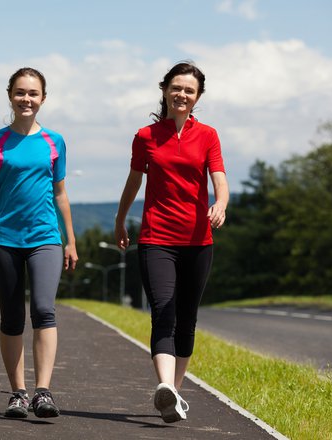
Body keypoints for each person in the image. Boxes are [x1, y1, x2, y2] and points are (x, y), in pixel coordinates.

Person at [114, 61, 229, 423]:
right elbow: (134, 182)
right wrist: (120, 219)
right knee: (164, 309)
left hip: (198, 240)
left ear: (198, 98)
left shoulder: (208, 135)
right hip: (156, 237)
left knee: (187, 318)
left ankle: (173, 395)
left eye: (189, 91)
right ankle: (165, 386)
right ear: (165, 90)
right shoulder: (146, 136)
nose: (182, 95)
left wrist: (221, 203)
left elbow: (219, 179)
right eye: (176, 88)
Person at [0, 67, 78, 419]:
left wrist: (70, 240)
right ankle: (18, 393)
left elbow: (61, 193)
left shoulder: (55, 142)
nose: (26, 99)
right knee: (12, 317)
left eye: (33, 93)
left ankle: (43, 392)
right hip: (4, 238)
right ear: (10, 96)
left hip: (45, 237)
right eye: (20, 92)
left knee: (44, 310)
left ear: (43, 98)